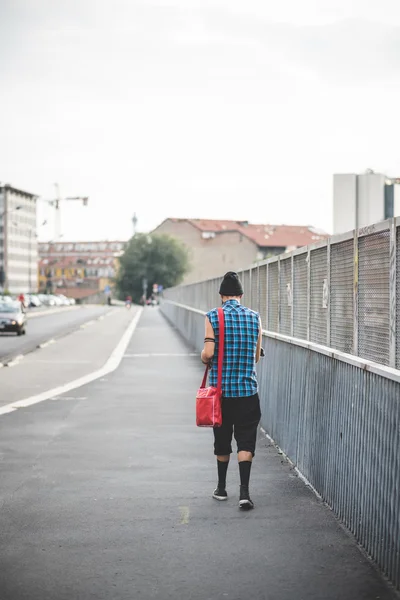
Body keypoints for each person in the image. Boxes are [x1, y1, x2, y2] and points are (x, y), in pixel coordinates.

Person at [201, 271, 262, 511]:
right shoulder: (255, 317)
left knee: (222, 439)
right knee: (245, 442)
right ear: (241, 295)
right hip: (247, 391)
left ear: (221, 296)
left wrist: (203, 357)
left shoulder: (212, 317)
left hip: (221, 393)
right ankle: (245, 493)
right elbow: (256, 356)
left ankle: (221, 488)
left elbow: (208, 354)